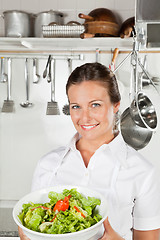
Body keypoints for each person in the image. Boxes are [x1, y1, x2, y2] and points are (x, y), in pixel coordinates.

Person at [18, 62, 160, 240]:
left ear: (115, 105)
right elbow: (33, 228)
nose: (84, 117)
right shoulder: (48, 164)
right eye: (76, 106)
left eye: (95, 105)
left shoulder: (142, 172)